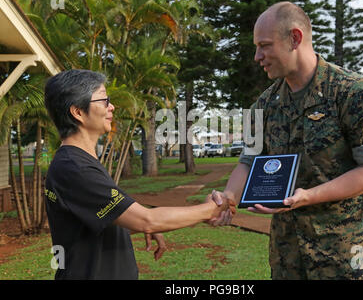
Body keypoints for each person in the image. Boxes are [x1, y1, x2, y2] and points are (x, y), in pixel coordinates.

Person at [211, 1, 363, 280]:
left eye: (264, 45)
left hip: (347, 255)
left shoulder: (354, 94)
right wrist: (228, 197)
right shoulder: (264, 105)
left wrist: (309, 196)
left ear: (294, 38)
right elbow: (249, 162)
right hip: (289, 258)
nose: (257, 56)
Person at [44, 69, 229, 280]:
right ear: (77, 112)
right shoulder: (76, 168)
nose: (111, 107)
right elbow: (147, 219)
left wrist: (135, 226)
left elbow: (95, 224)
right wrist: (211, 209)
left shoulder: (76, 161)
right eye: (104, 101)